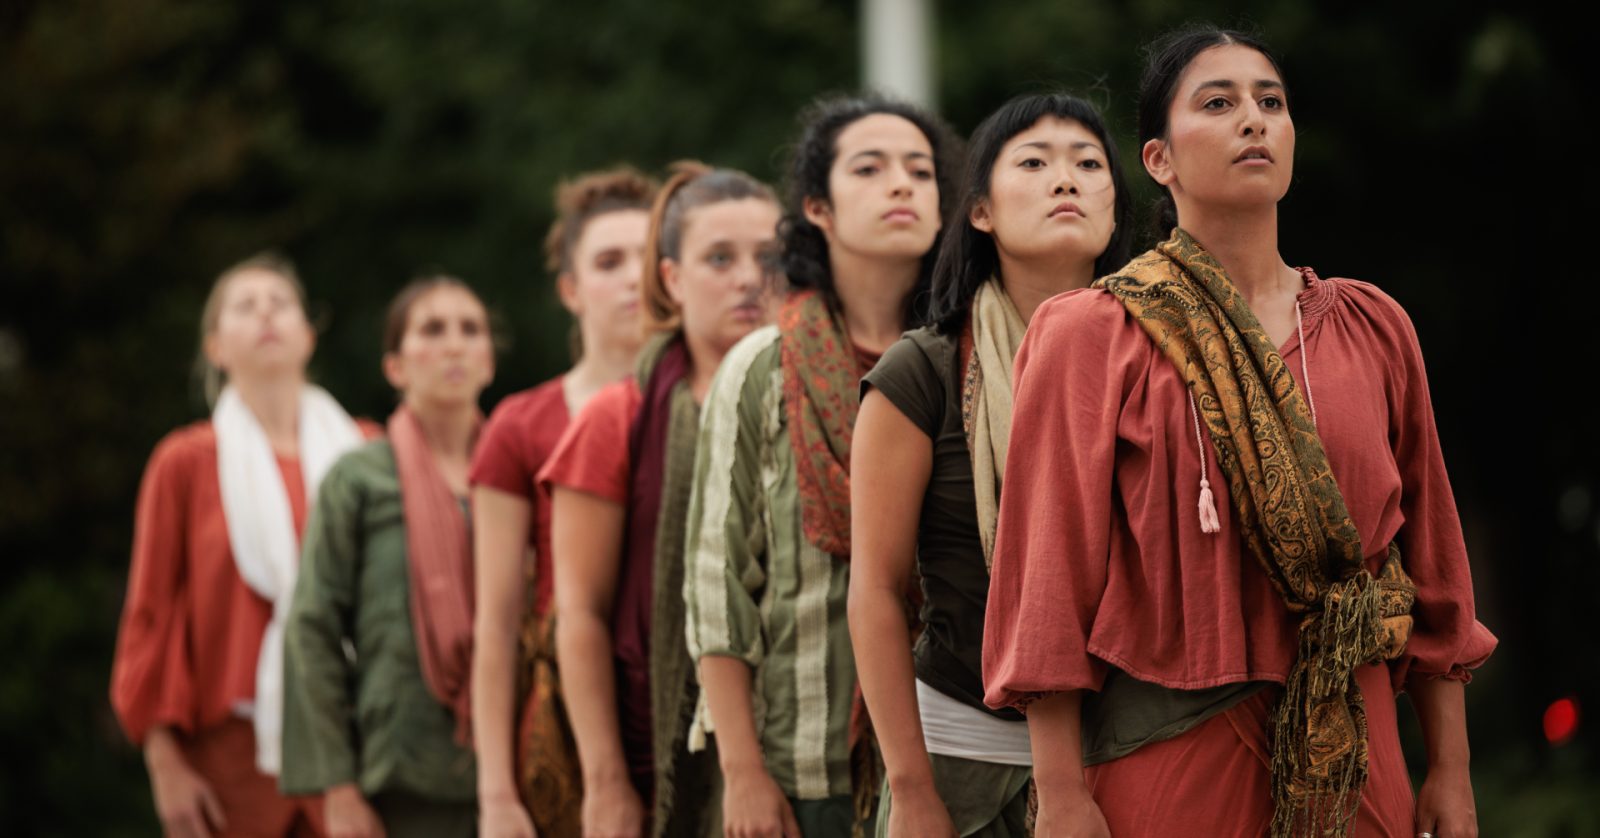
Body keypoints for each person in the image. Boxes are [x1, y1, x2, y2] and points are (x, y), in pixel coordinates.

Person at [981, 26, 1498, 838]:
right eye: (1218, 103)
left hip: (1356, 755)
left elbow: (1431, 559)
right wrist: (1060, 792)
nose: (1253, 119)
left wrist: (1452, 771)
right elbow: (1048, 572)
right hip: (1172, 755)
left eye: (1271, 102)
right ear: (1159, 159)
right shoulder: (1092, 334)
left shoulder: (1371, 327)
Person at [849, 93, 1132, 838]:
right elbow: (875, 590)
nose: (1065, 179)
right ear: (980, 211)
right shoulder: (924, 372)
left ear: (1115, 211)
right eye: (1034, 163)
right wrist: (911, 788)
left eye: (1089, 164)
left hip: (1134, 750)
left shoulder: (1162, 361)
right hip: (961, 762)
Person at [682, 94, 958, 837]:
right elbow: (716, 584)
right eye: (869, 169)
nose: (900, 184)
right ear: (818, 209)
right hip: (802, 763)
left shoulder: (968, 360)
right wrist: (742, 772)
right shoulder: (762, 366)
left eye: (920, 171)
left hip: (960, 753)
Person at [540, 162, 780, 838]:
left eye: (768, 257)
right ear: (671, 279)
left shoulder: (825, 400)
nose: (748, 278)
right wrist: (606, 781)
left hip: (806, 741)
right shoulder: (618, 417)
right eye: (719, 258)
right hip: (663, 750)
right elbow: (580, 614)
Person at [111, 253, 370, 837]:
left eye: (280, 303)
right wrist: (163, 760)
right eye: (245, 307)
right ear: (215, 347)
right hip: (229, 763)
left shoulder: (366, 454)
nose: (265, 315)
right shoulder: (185, 463)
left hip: (356, 748)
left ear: (308, 335)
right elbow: (151, 613)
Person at [470, 167, 657, 838]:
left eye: (646, 256)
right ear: (570, 289)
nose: (633, 278)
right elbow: (495, 624)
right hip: (570, 728)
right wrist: (496, 795)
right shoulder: (520, 425)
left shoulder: (717, 400)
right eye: (609, 262)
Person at [279, 277, 494, 837]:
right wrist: (339, 787)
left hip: (517, 771)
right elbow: (312, 629)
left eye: (470, 330)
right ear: (395, 367)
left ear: (489, 361)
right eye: (432, 330)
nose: (454, 345)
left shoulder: (516, 472)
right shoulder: (359, 479)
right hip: (400, 779)